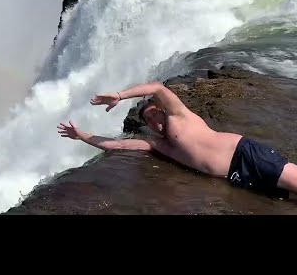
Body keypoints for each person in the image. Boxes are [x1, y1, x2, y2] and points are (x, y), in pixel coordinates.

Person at [57, 81, 297, 199]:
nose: (152, 122)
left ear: (162, 110)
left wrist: (120, 95)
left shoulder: (180, 116)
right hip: (235, 177)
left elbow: (157, 88)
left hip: (244, 154)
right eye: (147, 122)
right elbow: (114, 145)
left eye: (153, 114)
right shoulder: (157, 144)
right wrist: (81, 136)